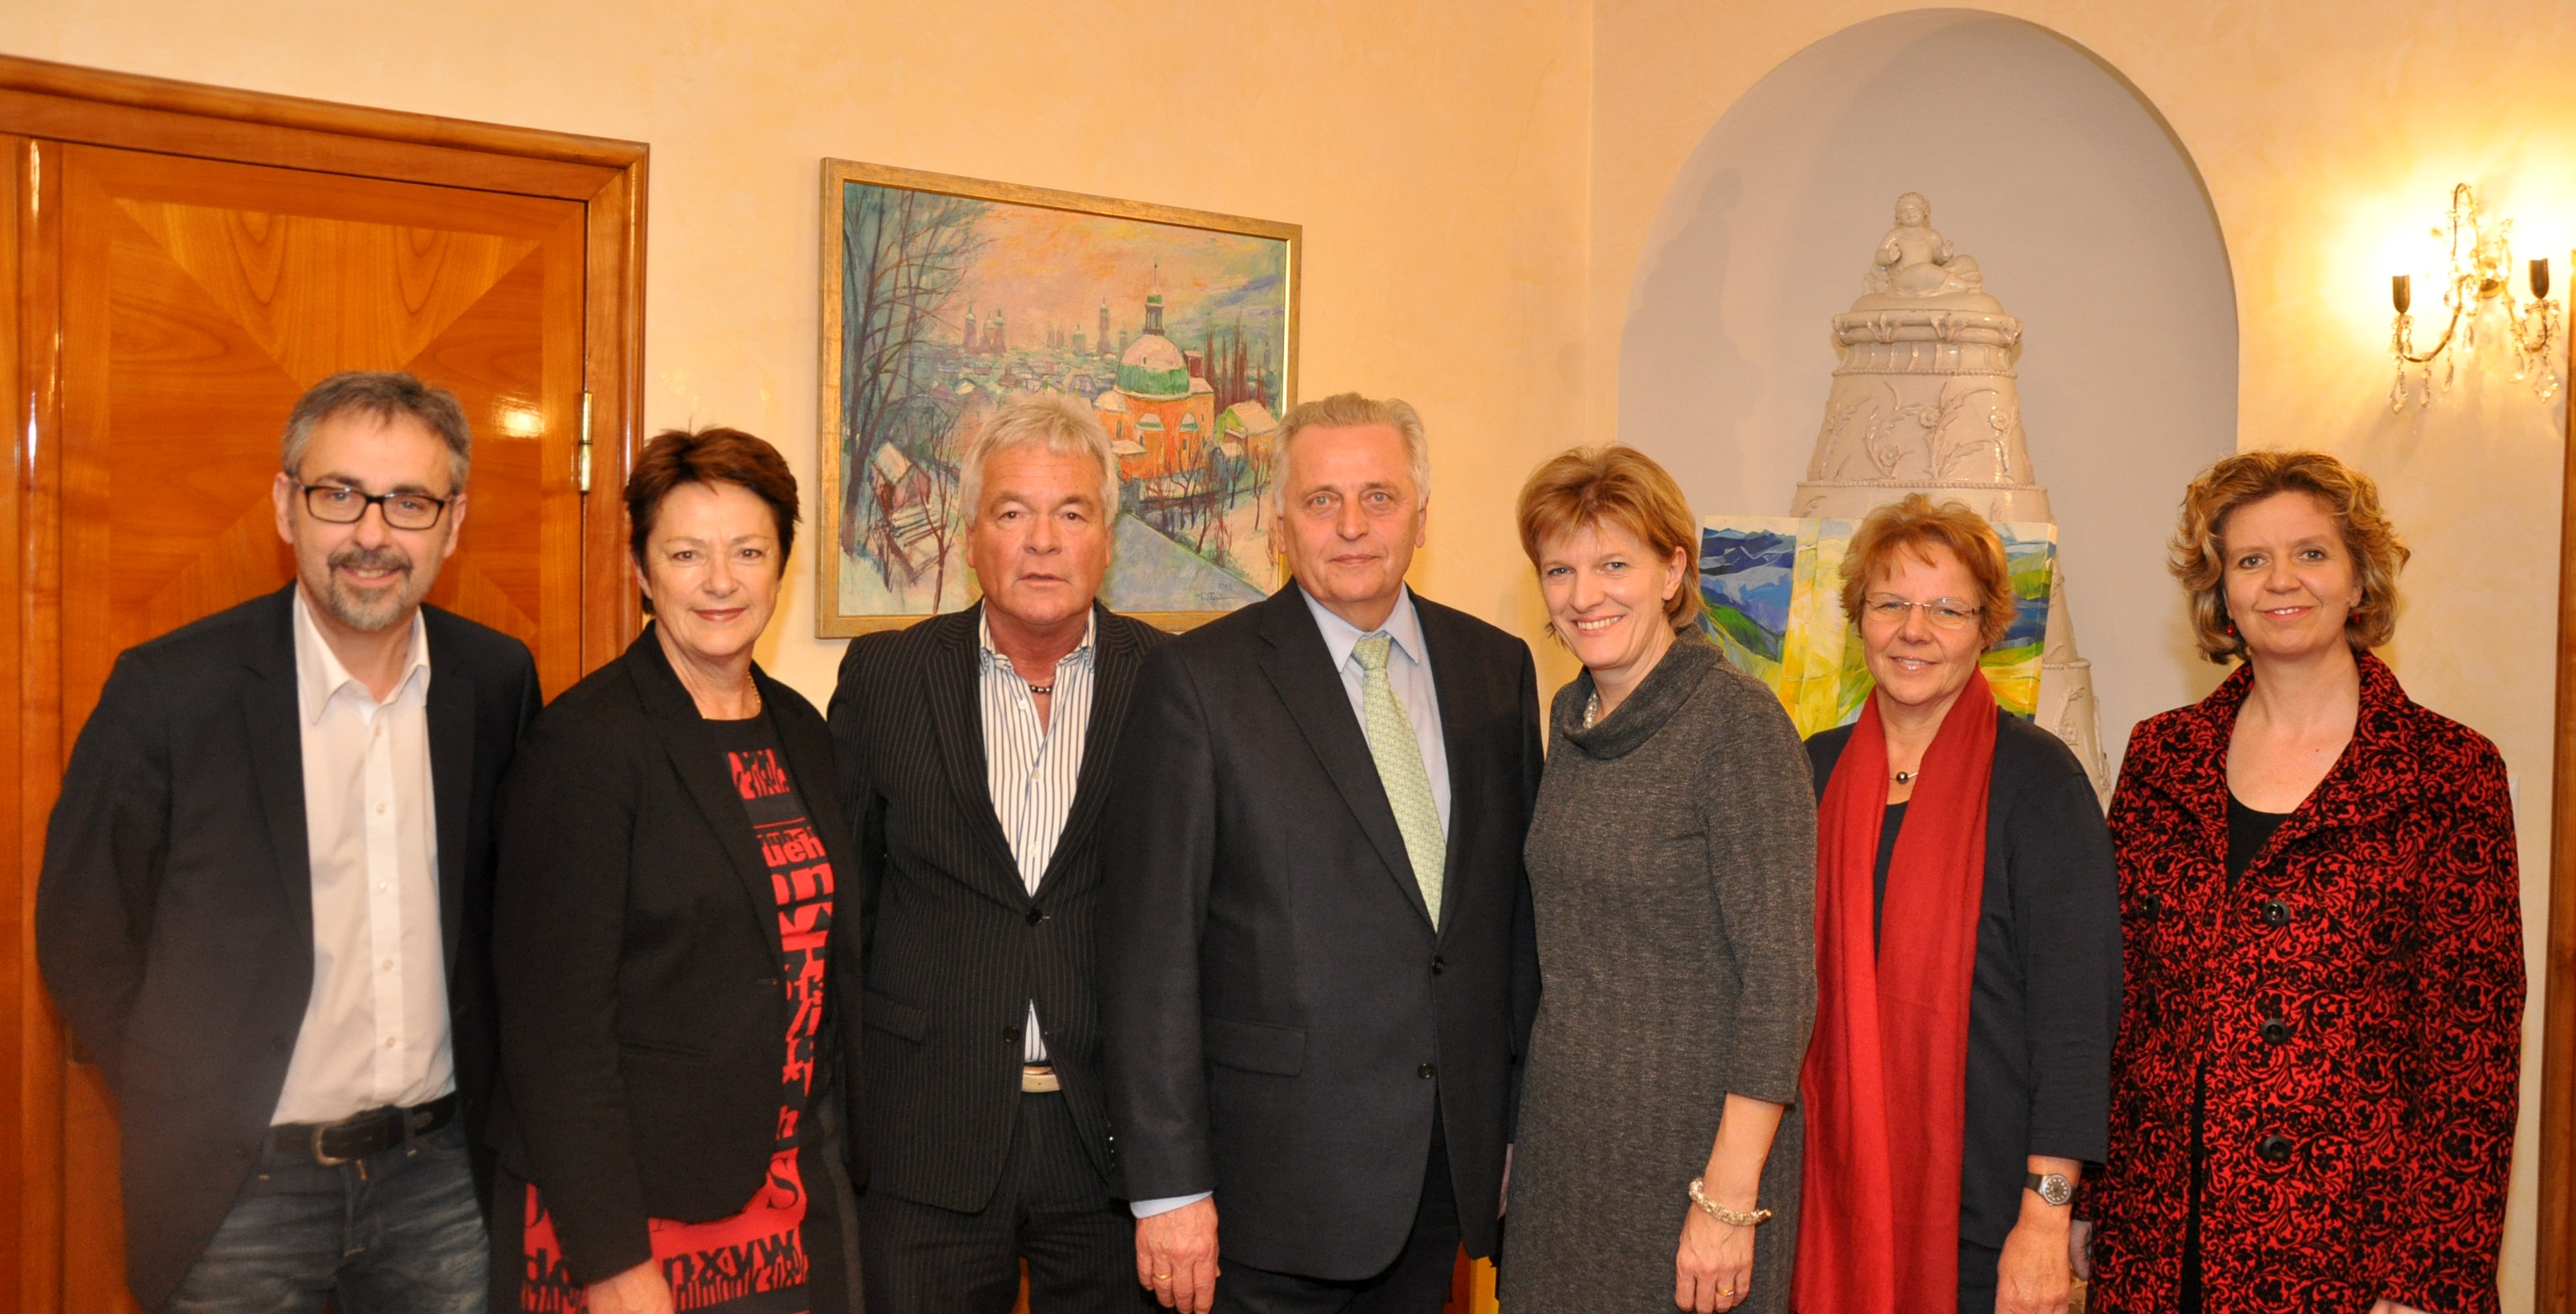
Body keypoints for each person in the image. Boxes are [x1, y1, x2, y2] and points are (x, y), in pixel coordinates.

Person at [36, 371, 540, 1313]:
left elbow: (509, 913)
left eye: (410, 502)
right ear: (286, 504)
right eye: (339, 494)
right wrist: (185, 1088)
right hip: (238, 1194)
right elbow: (83, 931)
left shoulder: (496, 681)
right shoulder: (167, 690)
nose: (372, 535)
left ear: (453, 523)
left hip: (443, 1182)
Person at [1097, 393, 1544, 1314]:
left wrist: (1512, 1131)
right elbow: (1151, 956)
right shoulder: (1197, 680)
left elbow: (1514, 927)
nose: (1351, 526)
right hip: (1270, 1195)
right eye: (1320, 500)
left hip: (1441, 1177)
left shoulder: (1496, 670)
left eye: (1379, 497)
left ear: (1422, 515)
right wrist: (1170, 1188)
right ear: (1278, 524)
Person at [2083, 452, 2523, 1314]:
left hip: (2355, 1252)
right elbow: (2116, 1005)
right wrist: (2081, 1202)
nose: (2282, 580)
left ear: (2360, 579)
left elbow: (2474, 1051)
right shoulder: (2161, 757)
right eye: (2250, 560)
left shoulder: (2448, 771)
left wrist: (2428, 1282)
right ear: (2221, 593)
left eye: (2312, 554)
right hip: (2156, 1240)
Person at [488, 428, 862, 1314]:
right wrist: (615, 1260)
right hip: (633, 1221)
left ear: (782, 566)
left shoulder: (801, 731)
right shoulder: (585, 745)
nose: (721, 581)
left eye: (748, 552)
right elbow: (555, 1032)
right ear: (644, 573)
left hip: (785, 1204)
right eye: (687, 554)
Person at [829, 395, 1165, 1312]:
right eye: (1013, 513)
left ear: (1108, 537)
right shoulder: (886, 677)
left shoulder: (1176, 686)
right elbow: (842, 916)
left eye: (1072, 513)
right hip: (924, 1136)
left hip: (1111, 1144)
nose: (1043, 542)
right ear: (973, 536)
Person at [1496, 447, 1814, 1314]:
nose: (1583, 594)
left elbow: (1780, 985)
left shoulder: (1737, 726)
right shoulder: (1571, 720)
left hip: (1696, 1165)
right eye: (1560, 569)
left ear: (1674, 569)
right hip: (1568, 1158)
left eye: (1613, 564)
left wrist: (1726, 1198)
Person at [1791, 494, 2122, 1314]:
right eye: (1891, 602)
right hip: (1820, 1206)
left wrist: (2046, 1221)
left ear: (1986, 628)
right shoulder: (1807, 773)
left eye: (1947, 609)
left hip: (1982, 1225)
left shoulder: (2039, 782)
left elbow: (2077, 1018)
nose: (1914, 630)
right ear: (1858, 618)